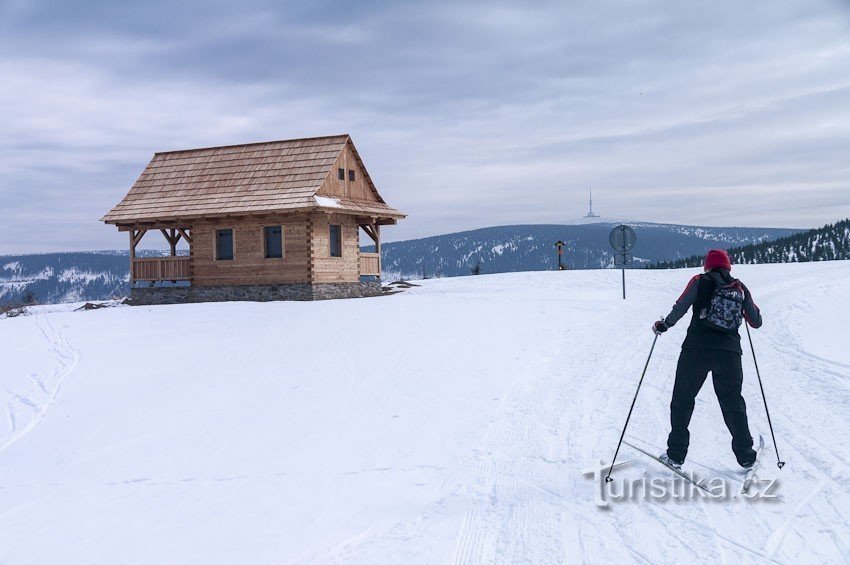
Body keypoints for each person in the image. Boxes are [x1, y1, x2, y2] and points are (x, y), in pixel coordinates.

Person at [651, 249, 762, 469]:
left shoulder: (699, 281)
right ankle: (746, 456)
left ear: (707, 265)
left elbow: (681, 306)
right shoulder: (739, 288)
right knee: (732, 403)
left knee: (682, 401)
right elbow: (756, 321)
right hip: (729, 354)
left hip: (696, 351)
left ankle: (675, 455)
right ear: (728, 266)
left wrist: (664, 325)